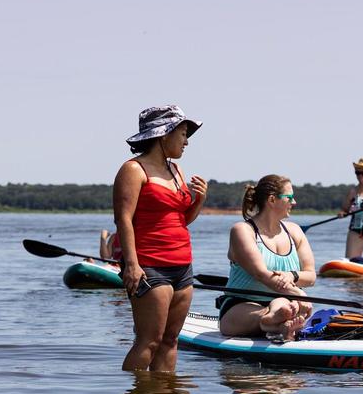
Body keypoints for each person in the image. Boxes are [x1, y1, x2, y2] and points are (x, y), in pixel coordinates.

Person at [113, 104, 208, 372]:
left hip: (182, 266)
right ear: (163, 134)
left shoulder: (176, 171)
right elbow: (123, 219)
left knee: (170, 341)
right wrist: (131, 265)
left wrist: (199, 200)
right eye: (182, 134)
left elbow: (182, 219)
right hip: (149, 266)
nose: (186, 142)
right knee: (149, 341)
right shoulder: (133, 169)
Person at [218, 175, 316, 341]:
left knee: (282, 303)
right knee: (282, 305)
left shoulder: (295, 231)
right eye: (290, 197)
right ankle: (272, 321)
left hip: (287, 303)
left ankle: (279, 323)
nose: (294, 202)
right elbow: (261, 274)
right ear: (272, 200)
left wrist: (292, 275)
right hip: (241, 306)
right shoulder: (242, 231)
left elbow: (311, 276)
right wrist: (299, 294)